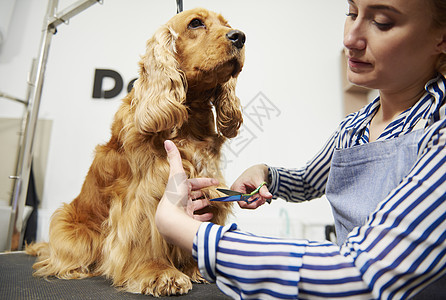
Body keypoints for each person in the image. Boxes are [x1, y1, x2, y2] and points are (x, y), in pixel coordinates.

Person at [156, 0, 446, 298]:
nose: (349, 39)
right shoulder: (354, 126)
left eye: (382, 22)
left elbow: (358, 275)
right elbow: (308, 181)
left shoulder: (440, 131)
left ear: (442, 38)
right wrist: (267, 174)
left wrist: (183, 230)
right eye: (351, 14)